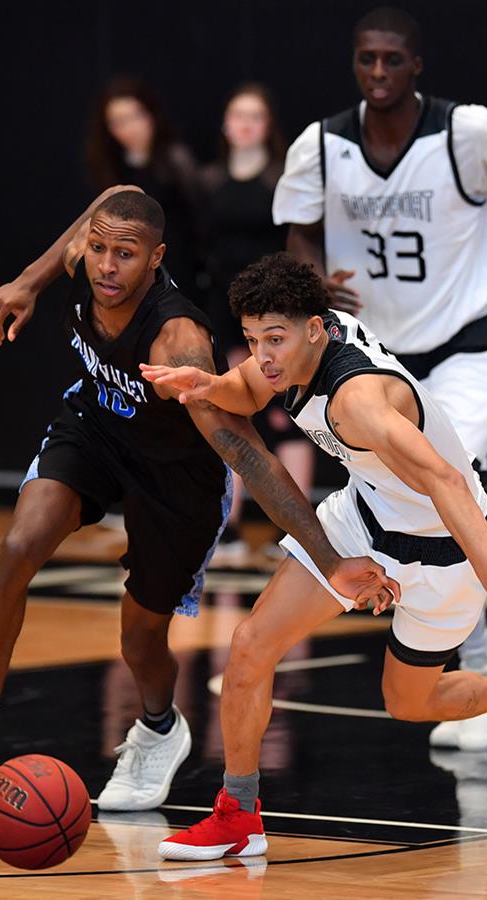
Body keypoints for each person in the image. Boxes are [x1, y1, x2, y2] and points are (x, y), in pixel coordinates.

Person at [0, 189, 397, 811]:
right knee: (17, 548)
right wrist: (28, 282)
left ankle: (161, 728)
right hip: (96, 429)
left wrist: (330, 562)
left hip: (178, 475)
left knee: (139, 640)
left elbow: (247, 453)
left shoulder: (176, 339)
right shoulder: (91, 260)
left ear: (157, 258)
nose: (108, 267)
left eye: (127, 255)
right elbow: (102, 209)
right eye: (99, 249)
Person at [144, 252, 487, 861]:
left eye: (274, 338)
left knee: (409, 703)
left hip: (443, 550)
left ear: (316, 329)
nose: (263, 354)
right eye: (250, 338)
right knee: (249, 646)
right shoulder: (288, 356)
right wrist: (209, 385)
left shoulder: (358, 402)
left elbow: (448, 482)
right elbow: (246, 387)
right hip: (363, 517)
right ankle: (238, 814)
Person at [273, 6, 487, 752]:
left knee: (457, 480)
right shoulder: (324, 145)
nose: (377, 73)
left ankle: (482, 656)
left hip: (469, 341)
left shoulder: (467, 132)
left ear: (416, 65)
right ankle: (475, 661)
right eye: (366, 59)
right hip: (381, 358)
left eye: (391, 60)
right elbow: (297, 227)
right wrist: (311, 275)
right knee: (399, 493)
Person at [195, 84, 314, 561]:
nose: (244, 124)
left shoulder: (279, 179)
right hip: (226, 310)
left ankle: (300, 531)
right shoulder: (208, 179)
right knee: (235, 410)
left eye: (255, 116)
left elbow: (302, 238)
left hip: (275, 309)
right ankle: (232, 527)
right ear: (225, 124)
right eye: (236, 115)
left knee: (284, 416)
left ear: (267, 125)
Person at [86, 76, 201, 291]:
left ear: (151, 115)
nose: (129, 128)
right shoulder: (109, 165)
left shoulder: (175, 160)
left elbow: (199, 219)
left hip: (176, 265)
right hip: (125, 269)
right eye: (118, 122)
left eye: (135, 117)